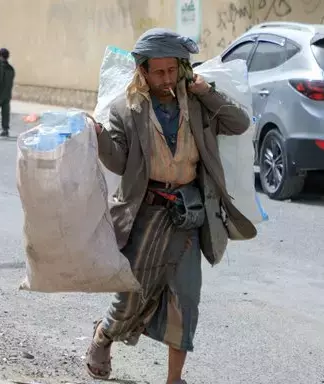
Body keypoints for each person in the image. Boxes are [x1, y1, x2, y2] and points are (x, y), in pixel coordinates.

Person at [84, 28, 257, 384]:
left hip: (189, 213)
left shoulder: (197, 103)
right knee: (132, 296)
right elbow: (119, 162)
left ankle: (174, 379)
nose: (166, 79)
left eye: (172, 70)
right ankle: (104, 335)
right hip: (146, 214)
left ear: (182, 68)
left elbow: (239, 123)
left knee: (186, 299)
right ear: (142, 72)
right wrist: (99, 136)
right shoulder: (126, 110)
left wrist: (205, 90)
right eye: (157, 72)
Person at [0, 48, 15, 138]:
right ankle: (5, 129)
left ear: (1, 57)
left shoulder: (0, 67)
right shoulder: (11, 68)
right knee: (5, 112)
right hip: (7, 93)